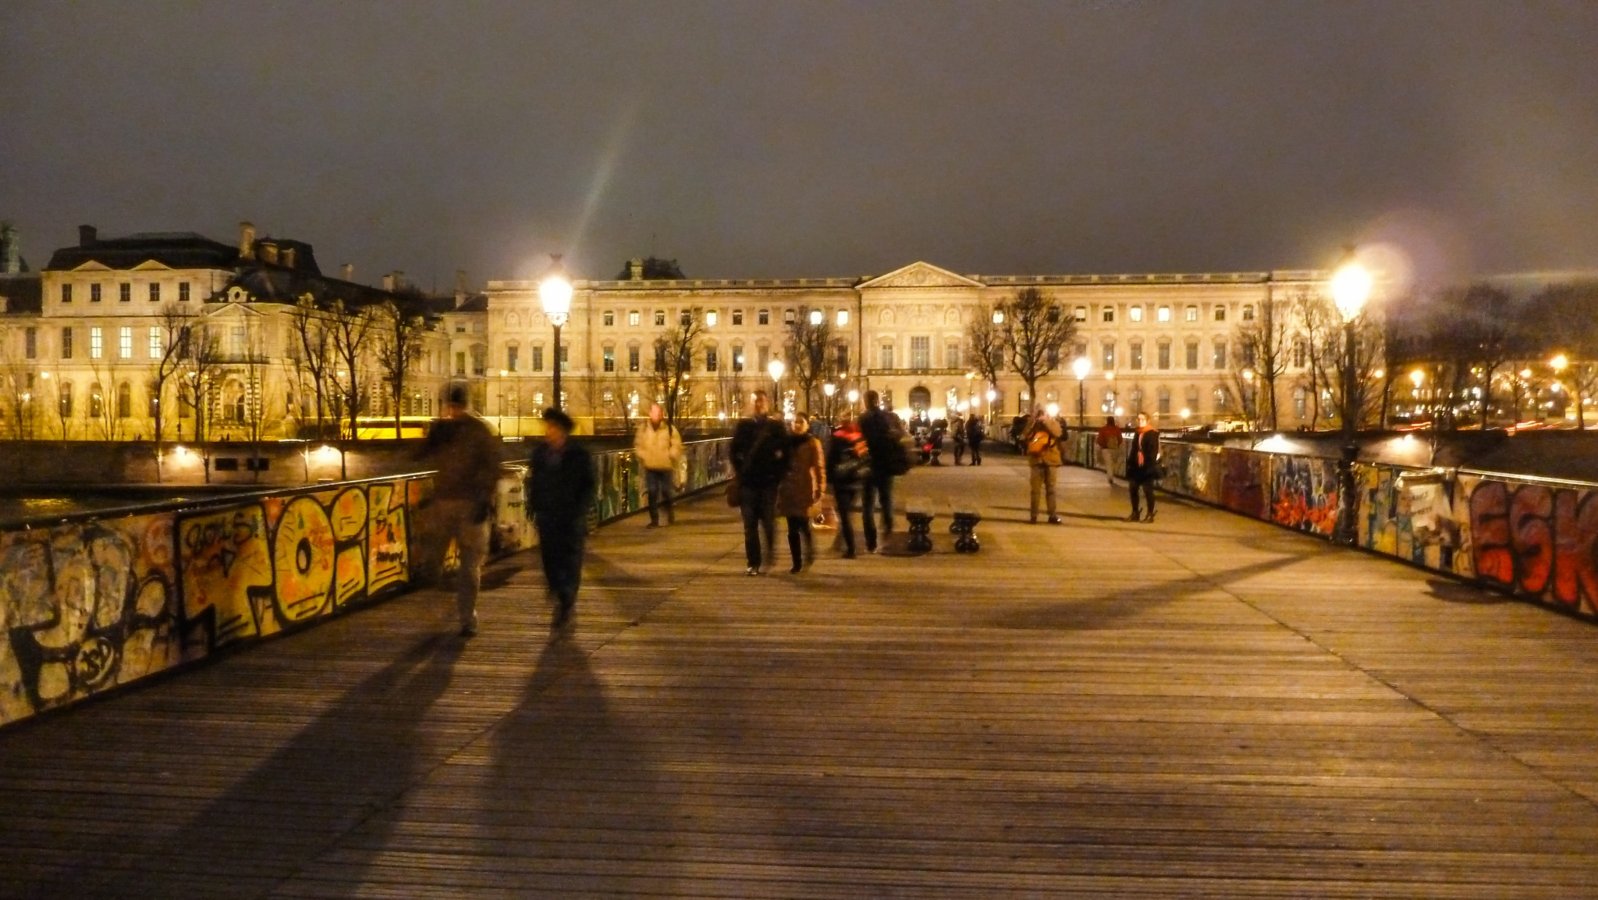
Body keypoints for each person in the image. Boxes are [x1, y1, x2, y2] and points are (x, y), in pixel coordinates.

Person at [415, 384, 502, 638]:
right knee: (469, 564)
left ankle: (450, 608)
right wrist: (485, 499)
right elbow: (493, 466)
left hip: (449, 502)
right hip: (468, 504)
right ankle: (466, 618)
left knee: (440, 557)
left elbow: (420, 454)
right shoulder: (480, 430)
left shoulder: (444, 429)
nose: (452, 411)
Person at [527, 407, 596, 630]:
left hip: (570, 515)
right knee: (549, 558)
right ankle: (558, 588)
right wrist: (534, 505)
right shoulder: (539, 454)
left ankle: (566, 598)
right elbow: (534, 482)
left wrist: (581, 508)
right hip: (547, 514)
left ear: (563, 431)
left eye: (552, 427)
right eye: (547, 427)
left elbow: (588, 485)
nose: (548, 431)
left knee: (571, 558)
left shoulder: (579, 455)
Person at [730, 390, 788, 575]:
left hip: (768, 483)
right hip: (748, 483)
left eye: (762, 401)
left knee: (768, 522)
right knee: (750, 526)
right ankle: (753, 562)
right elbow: (733, 451)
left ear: (767, 403)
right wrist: (740, 470)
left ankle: (769, 553)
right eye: (756, 401)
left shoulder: (776, 427)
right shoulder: (743, 426)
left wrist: (777, 475)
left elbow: (786, 453)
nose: (758, 405)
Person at [777, 412, 826, 574]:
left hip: (805, 489)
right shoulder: (786, 443)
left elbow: (819, 468)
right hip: (789, 489)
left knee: (804, 525)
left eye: (801, 422)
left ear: (807, 425)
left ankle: (809, 552)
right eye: (795, 422)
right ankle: (796, 562)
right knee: (792, 529)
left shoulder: (813, 443)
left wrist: (820, 488)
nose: (797, 425)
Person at [858, 390, 905, 554]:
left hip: (870, 466)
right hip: (887, 465)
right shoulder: (890, 417)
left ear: (865, 401)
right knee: (886, 502)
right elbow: (901, 434)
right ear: (877, 400)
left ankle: (870, 542)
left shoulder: (862, 419)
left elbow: (859, 442)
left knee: (867, 506)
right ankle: (887, 535)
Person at [633, 402, 684, 527]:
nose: (657, 415)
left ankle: (669, 512)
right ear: (650, 414)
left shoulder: (669, 428)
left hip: (665, 465)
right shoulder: (644, 429)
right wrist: (643, 456)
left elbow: (676, 444)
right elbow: (638, 445)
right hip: (650, 466)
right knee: (652, 492)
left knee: (666, 491)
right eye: (655, 413)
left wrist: (671, 454)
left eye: (659, 413)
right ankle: (654, 520)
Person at [825, 409, 867, 559]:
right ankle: (846, 543)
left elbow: (830, 461)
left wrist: (827, 481)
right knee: (847, 514)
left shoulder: (836, 437)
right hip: (855, 481)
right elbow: (864, 458)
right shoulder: (858, 436)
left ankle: (850, 548)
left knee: (844, 515)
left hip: (841, 481)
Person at [1022, 407, 1064, 524]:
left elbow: (1057, 433)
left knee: (1051, 489)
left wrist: (1046, 421)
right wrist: (1033, 421)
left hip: (1051, 460)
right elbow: (1025, 435)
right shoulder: (1032, 424)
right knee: (1035, 490)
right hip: (1036, 460)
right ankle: (1034, 515)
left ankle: (1052, 515)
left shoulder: (1053, 422)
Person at [1126, 411, 1161, 523]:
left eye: (1142, 419)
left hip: (1147, 466)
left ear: (1147, 420)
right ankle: (1135, 512)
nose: (1140, 421)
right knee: (1133, 488)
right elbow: (1134, 449)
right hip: (1136, 466)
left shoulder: (1152, 433)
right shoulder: (1138, 432)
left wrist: (1149, 466)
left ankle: (1150, 514)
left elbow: (1153, 451)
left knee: (1148, 491)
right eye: (1139, 419)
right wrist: (1130, 463)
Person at [1095, 416, 1122, 486]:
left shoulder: (1103, 429)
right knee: (1114, 463)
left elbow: (1099, 440)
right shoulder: (1117, 429)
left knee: (1108, 464)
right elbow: (1120, 439)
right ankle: (1112, 475)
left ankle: (1110, 477)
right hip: (1115, 449)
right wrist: (1117, 445)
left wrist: (1103, 446)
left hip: (1106, 449)